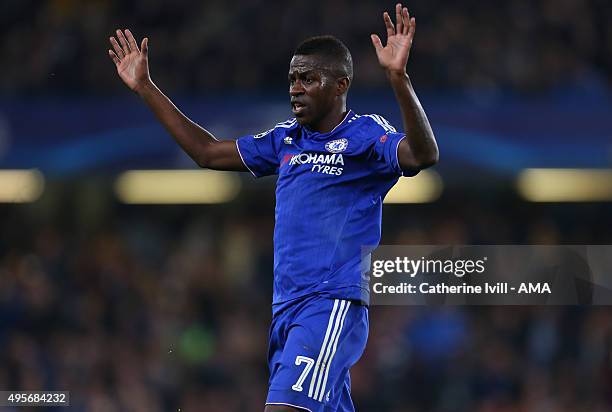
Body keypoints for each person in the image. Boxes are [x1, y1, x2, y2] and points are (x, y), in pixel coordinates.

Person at [108, 3, 438, 411]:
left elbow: (422, 155)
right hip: (286, 311)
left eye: (308, 79)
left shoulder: (366, 134)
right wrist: (146, 87)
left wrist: (398, 79)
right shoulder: (285, 140)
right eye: (292, 79)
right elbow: (208, 153)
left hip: (329, 304)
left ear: (340, 85)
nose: (295, 88)